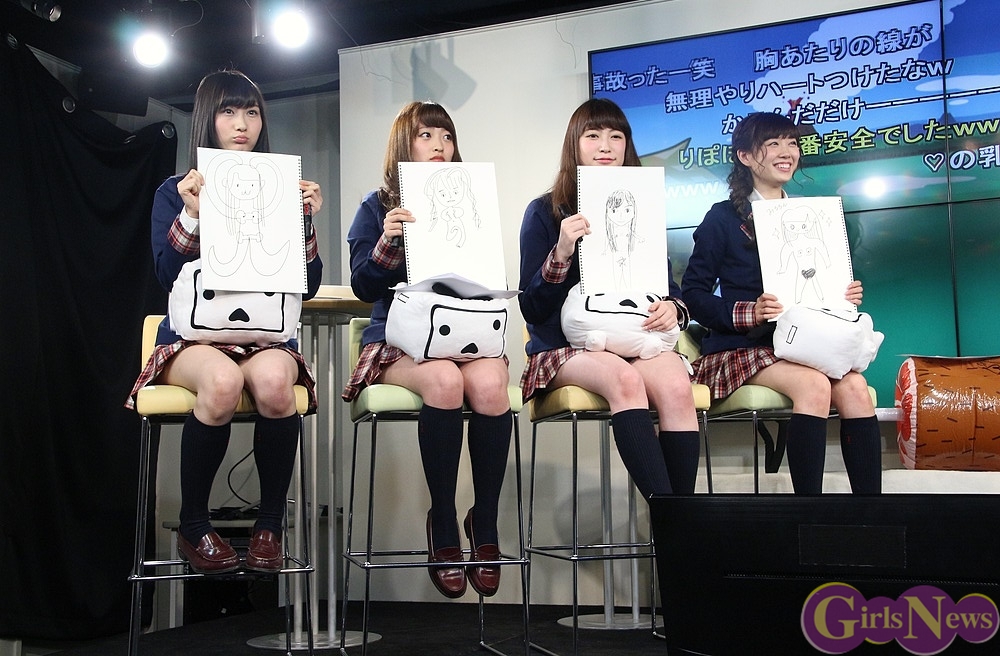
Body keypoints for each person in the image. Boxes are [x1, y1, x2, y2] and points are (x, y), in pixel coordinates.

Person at [127, 70, 324, 573]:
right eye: (229, 111)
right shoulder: (174, 190)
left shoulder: (282, 190)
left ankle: (270, 526)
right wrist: (192, 214)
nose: (242, 124)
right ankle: (194, 526)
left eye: (251, 112)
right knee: (221, 382)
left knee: (276, 384)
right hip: (193, 338)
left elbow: (309, 285)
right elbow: (165, 272)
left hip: (263, 336)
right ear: (207, 120)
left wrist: (304, 221)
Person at [343, 101, 512, 599]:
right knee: (443, 380)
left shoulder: (472, 199)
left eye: (446, 136)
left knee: (490, 383)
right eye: (426, 135)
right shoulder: (376, 206)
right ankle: (443, 519)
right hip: (399, 340)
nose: (439, 145)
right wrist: (388, 241)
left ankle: (485, 518)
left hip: (463, 332)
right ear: (404, 143)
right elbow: (362, 285)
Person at [681, 111, 881, 495]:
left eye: (792, 143)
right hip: (745, 347)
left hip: (807, 342)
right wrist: (750, 312)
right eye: (772, 144)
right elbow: (693, 295)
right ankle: (810, 513)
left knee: (856, 387)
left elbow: (817, 281)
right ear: (745, 156)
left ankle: (871, 512)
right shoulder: (722, 218)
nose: (786, 152)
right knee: (814, 385)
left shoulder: (810, 215)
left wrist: (843, 295)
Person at [518, 97, 701, 500]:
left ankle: (680, 521)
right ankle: (671, 519)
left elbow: (672, 292)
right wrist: (561, 252)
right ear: (574, 144)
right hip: (565, 347)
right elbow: (531, 308)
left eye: (616, 136)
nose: (605, 146)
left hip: (636, 339)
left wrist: (673, 309)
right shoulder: (545, 211)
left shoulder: (643, 210)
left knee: (676, 386)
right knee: (624, 379)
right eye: (593, 135)